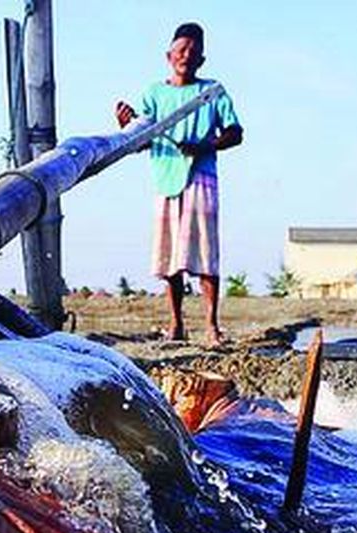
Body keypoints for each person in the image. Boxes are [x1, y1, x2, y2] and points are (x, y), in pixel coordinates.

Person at [115, 22, 243, 346]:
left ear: (201, 60)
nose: (186, 56)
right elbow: (140, 139)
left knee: (205, 255)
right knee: (169, 256)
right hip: (165, 178)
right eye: (181, 49)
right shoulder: (154, 94)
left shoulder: (213, 91)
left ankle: (212, 327)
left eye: (193, 52)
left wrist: (206, 145)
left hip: (202, 178)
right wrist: (126, 124)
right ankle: (176, 325)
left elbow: (235, 132)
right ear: (169, 55)